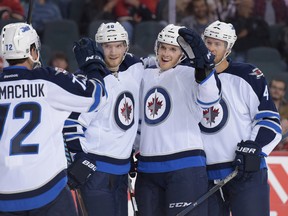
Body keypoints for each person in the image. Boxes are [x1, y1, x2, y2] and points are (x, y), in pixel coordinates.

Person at [0, 22, 108, 215]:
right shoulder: (48, 80)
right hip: (47, 193)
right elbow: (96, 97)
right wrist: (93, 65)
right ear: (33, 51)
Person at [134, 24, 221, 216]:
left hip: (184, 168)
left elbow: (210, 100)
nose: (166, 54)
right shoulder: (144, 74)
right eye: (163, 47)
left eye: (173, 49)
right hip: (147, 169)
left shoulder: (190, 74)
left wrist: (205, 68)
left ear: (182, 53)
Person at [198, 20, 282, 216]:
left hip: (245, 171)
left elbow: (270, 122)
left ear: (228, 48)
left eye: (217, 44)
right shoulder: (190, 77)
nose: (211, 49)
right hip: (205, 176)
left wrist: (255, 147)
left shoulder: (247, 75)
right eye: (208, 42)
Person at [62, 22, 144, 216]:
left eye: (118, 45)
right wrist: (80, 158)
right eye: (107, 46)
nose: (113, 52)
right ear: (99, 48)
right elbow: (70, 124)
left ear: (126, 47)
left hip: (122, 172)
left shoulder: (134, 70)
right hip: (96, 172)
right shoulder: (88, 81)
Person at [269, 79, 288, 151]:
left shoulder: (287, 108)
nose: (276, 91)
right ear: (269, 89)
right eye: (274, 87)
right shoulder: (260, 106)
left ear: (283, 92)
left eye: (280, 89)